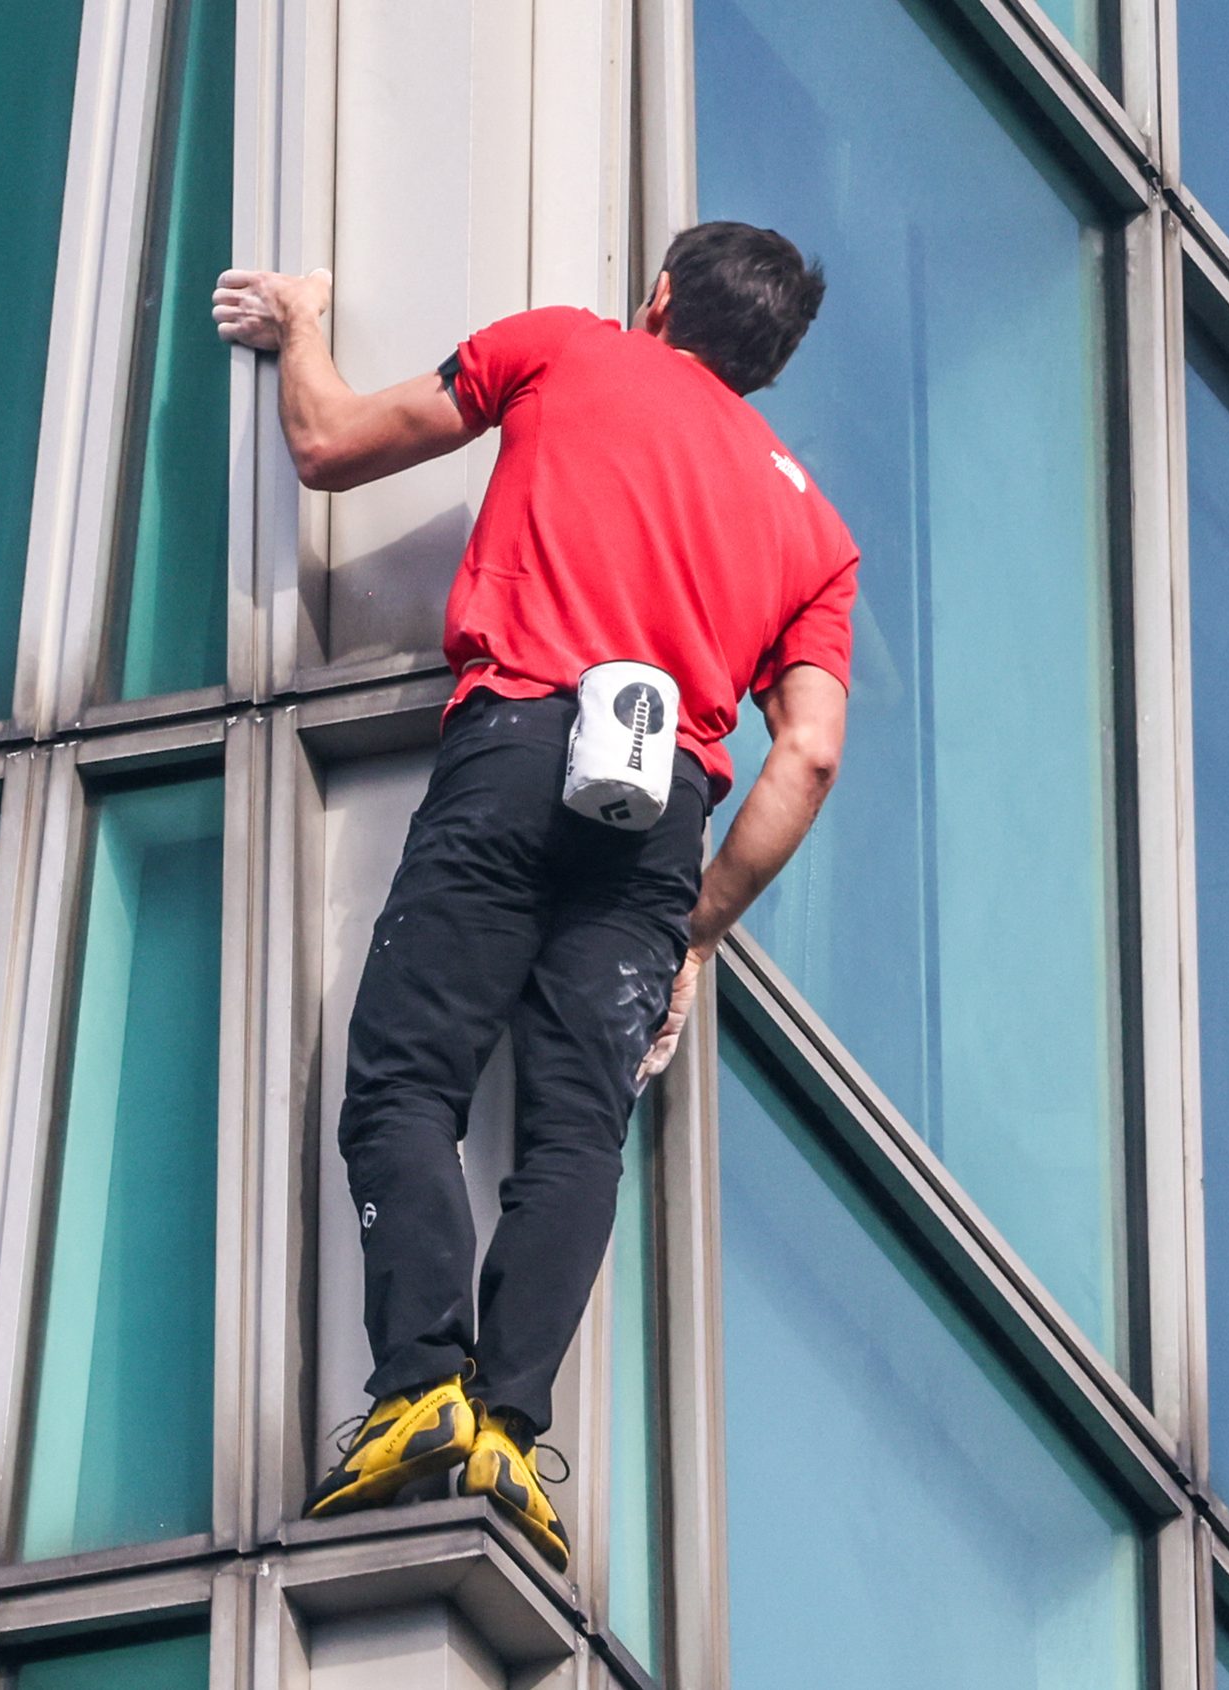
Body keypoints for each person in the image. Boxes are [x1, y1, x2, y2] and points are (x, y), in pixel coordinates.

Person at [213, 223, 854, 1569]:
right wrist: (694, 929)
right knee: (574, 1134)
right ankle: (510, 1430)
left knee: (406, 1080)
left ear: (660, 297)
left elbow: (327, 444)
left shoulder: (566, 347)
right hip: (661, 818)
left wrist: (302, 322)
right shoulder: (816, 531)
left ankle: (418, 1392)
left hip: (516, 743)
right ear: (770, 365)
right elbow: (806, 753)